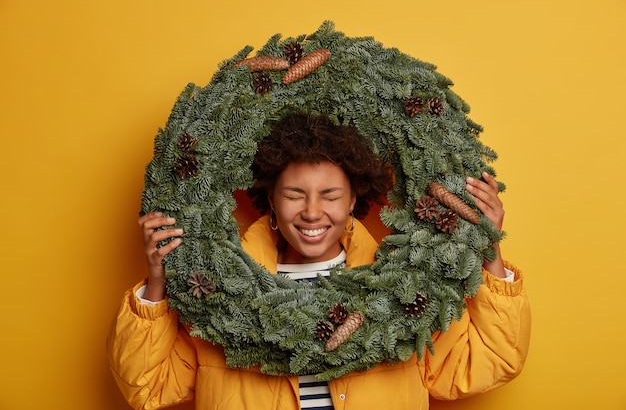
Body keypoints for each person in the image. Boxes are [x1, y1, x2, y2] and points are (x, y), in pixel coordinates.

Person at [107, 112, 531, 410]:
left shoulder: (403, 291)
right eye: (294, 195)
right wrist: (158, 282)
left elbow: (486, 365)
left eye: (330, 195)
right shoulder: (218, 293)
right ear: (269, 200)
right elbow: (150, 387)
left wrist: (487, 247)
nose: (312, 212)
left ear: (353, 201)